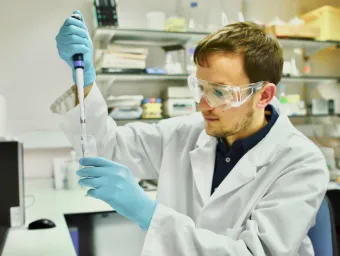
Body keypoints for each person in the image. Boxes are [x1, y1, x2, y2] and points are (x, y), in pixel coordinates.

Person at [52, 11, 329, 256]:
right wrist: (86, 81)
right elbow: (107, 148)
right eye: (201, 87)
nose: (203, 104)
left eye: (220, 92)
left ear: (263, 95)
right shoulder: (185, 133)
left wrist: (149, 215)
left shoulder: (302, 163)